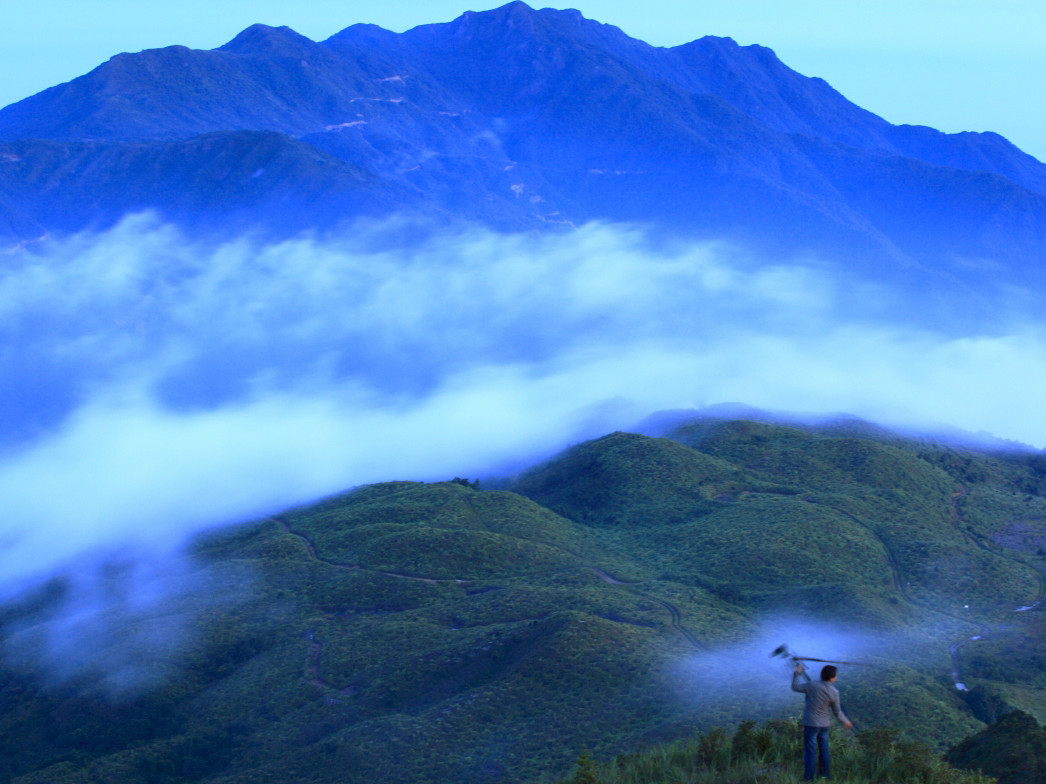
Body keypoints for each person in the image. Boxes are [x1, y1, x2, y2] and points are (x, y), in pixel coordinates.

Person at [792, 663, 853, 780]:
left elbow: (795, 687)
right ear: (832, 678)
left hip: (810, 723)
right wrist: (845, 722)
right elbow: (837, 712)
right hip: (824, 725)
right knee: (824, 750)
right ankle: (825, 776)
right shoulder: (834, 692)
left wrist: (797, 673)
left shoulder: (811, 685)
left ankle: (809, 778)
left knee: (810, 751)